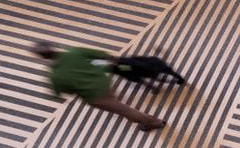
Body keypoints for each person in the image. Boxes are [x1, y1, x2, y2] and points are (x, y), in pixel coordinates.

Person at [30, 42, 165, 132]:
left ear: (43, 58)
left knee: (125, 110)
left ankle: (154, 122)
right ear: (53, 47)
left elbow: (59, 94)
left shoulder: (55, 76)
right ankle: (127, 109)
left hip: (96, 97)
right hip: (104, 82)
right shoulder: (75, 52)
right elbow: (103, 55)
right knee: (118, 105)